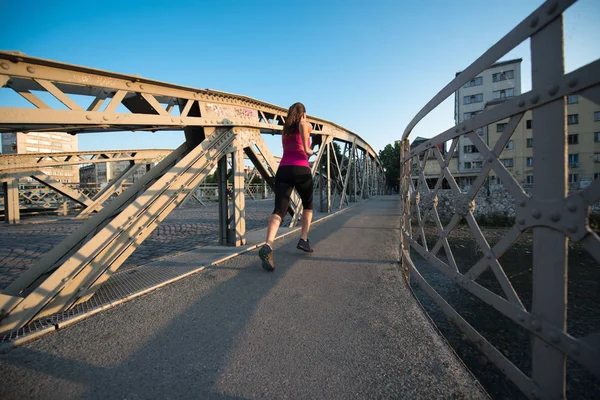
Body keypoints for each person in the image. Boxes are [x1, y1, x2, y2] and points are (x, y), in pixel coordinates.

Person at [259, 102, 314, 271]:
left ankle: (268, 245)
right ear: (303, 114)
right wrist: (309, 151)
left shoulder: (285, 130)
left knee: (279, 211)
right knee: (308, 205)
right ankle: (303, 239)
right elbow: (306, 146)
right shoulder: (305, 124)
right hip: (301, 169)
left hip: (283, 170)